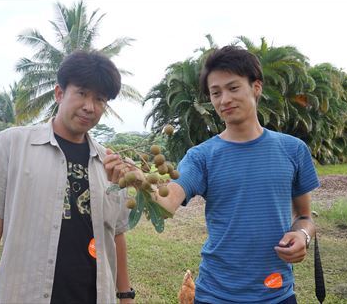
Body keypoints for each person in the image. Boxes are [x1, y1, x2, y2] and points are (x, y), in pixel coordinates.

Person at [104, 45, 319, 304]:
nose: (224, 99)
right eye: (215, 93)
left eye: (233, 88)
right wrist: (139, 179)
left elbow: (305, 216)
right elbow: (169, 203)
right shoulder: (201, 156)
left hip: (277, 293)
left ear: (256, 87)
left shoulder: (293, 150)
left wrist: (302, 235)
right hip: (214, 295)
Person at [0, 51, 135, 304]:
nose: (90, 106)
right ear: (59, 93)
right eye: (82, 93)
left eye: (100, 99)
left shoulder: (110, 164)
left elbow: (115, 234)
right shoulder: (13, 144)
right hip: (23, 295)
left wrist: (126, 297)